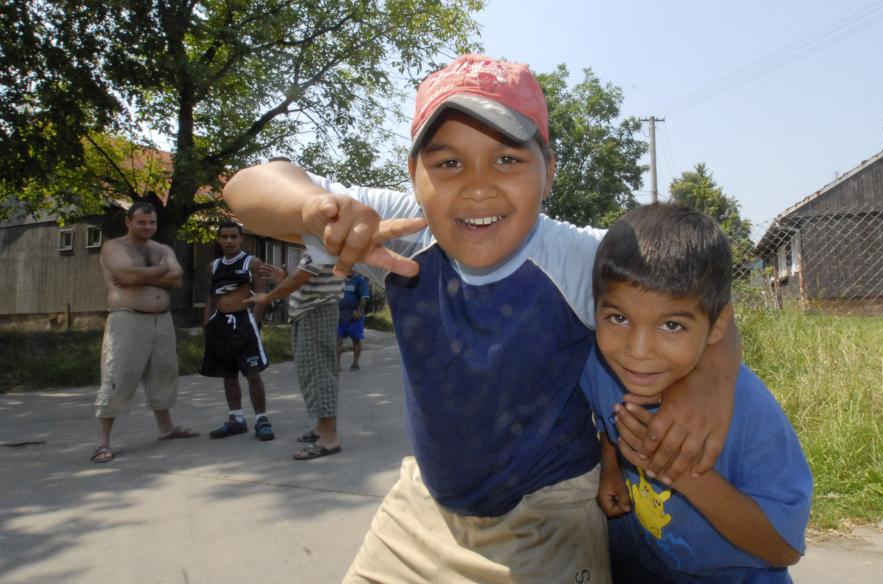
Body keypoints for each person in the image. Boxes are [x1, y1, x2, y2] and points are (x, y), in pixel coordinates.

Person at [223, 54, 741, 582]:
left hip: (547, 514)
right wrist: (315, 206)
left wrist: (709, 386)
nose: (476, 187)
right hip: (426, 507)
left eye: (507, 160)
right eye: (448, 163)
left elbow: (701, 299)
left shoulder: (582, 258)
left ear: (549, 172)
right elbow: (247, 188)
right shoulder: (399, 232)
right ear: (413, 175)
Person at [581, 204, 812, 583]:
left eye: (671, 325)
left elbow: (783, 547)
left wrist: (686, 475)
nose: (638, 350)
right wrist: (610, 468)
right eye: (618, 318)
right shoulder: (601, 368)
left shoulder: (748, 412)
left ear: (718, 324)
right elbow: (607, 417)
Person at [92, 202, 199, 463]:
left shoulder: (162, 249)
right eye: (141, 222)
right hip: (128, 318)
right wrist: (160, 270)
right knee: (119, 375)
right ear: (128, 222)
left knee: (164, 372)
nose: (148, 227)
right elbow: (126, 276)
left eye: (151, 223)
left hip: (162, 320)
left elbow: (177, 279)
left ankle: (166, 428)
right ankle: (103, 442)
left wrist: (144, 275)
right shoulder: (114, 247)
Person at [249, 254, 344, 460]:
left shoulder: (323, 244)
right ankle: (321, 427)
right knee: (309, 370)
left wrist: (267, 297)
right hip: (308, 311)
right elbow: (303, 283)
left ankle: (329, 436)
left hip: (317, 311)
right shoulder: (317, 244)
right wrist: (283, 278)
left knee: (319, 371)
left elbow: (297, 280)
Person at [200, 221, 274, 441]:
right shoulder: (214, 266)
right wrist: (207, 321)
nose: (229, 241)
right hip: (220, 323)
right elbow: (212, 296)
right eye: (225, 237)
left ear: (241, 239)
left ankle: (261, 419)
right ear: (219, 240)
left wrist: (256, 321)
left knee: (252, 373)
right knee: (228, 374)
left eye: (234, 236)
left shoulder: (251, 262)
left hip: (244, 321)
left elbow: (261, 294)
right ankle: (236, 419)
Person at [337, 269, 369, 371]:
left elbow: (364, 297)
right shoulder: (338, 279)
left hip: (354, 317)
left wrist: (359, 311)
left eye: (352, 267)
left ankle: (355, 363)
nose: (349, 269)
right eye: (347, 267)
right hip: (339, 316)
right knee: (337, 339)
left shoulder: (360, 280)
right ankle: (337, 365)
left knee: (356, 339)